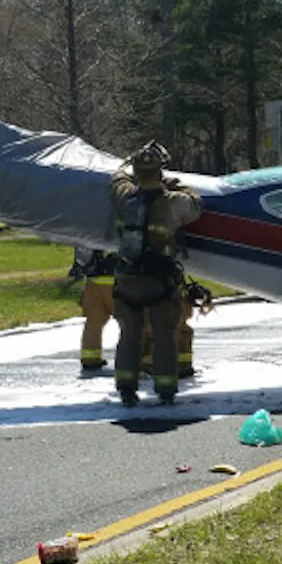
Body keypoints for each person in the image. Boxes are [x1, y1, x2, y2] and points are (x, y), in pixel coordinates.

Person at [110, 141, 202, 406]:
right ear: (160, 172)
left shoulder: (124, 198)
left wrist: (126, 166)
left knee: (129, 336)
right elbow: (196, 205)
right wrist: (174, 184)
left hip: (127, 281)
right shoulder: (172, 202)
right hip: (159, 283)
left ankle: (127, 388)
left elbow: (116, 180)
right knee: (164, 336)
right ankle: (165, 390)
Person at [70, 247, 116, 373]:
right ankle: (137, 359)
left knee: (93, 324)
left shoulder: (91, 233)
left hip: (94, 285)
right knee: (132, 324)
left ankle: (90, 358)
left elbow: (82, 257)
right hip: (119, 284)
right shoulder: (122, 232)